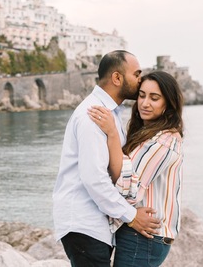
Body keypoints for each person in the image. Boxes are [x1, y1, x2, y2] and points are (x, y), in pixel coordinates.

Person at [52, 50, 161, 267]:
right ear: (117, 78)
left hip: (92, 225)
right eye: (136, 74)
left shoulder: (109, 114)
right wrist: (131, 216)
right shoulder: (94, 115)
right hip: (84, 224)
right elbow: (94, 179)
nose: (140, 80)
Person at [87, 70, 184, 267]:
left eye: (154, 98)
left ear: (168, 104)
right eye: (142, 95)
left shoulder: (164, 141)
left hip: (144, 234)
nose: (145, 103)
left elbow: (129, 187)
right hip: (138, 232)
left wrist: (112, 133)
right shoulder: (147, 133)